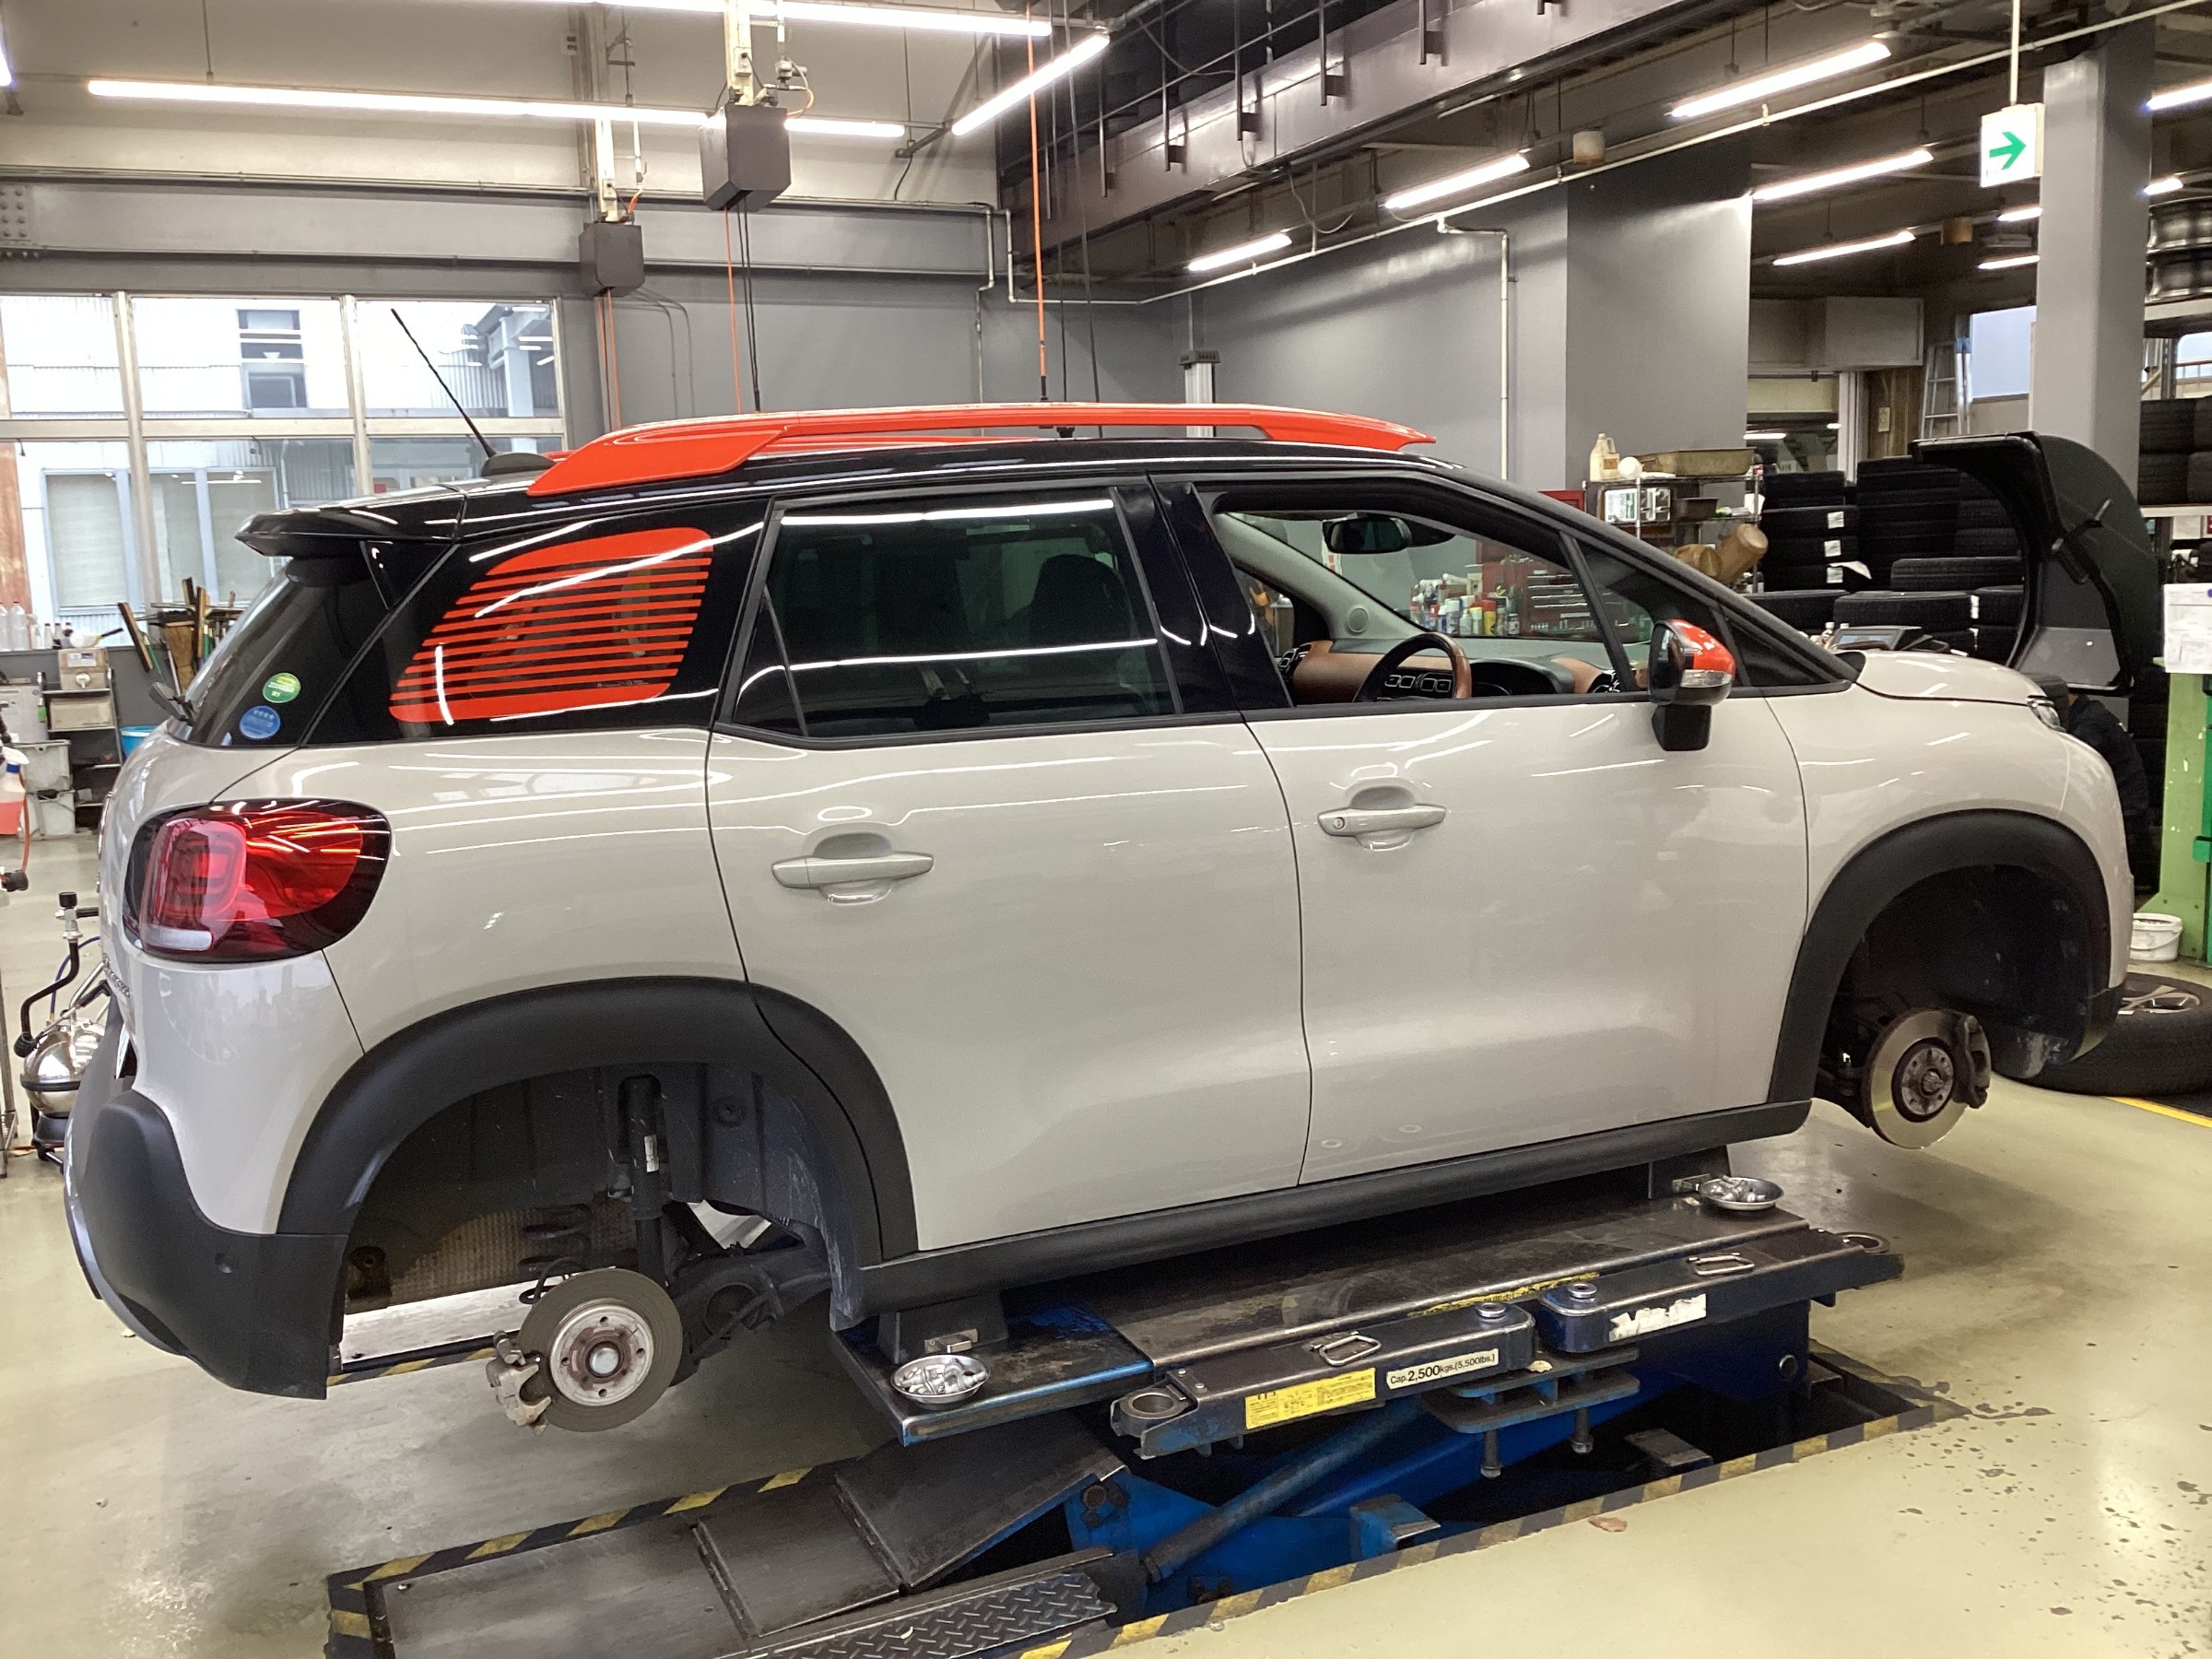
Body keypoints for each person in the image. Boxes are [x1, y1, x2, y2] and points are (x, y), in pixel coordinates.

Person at [2034, 676, 2152, 871]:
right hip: (2126, 816)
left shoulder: (2089, 725)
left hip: (2124, 826)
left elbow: (2069, 775)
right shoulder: (2090, 713)